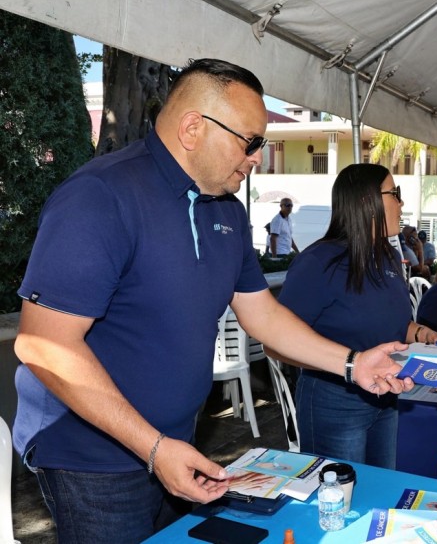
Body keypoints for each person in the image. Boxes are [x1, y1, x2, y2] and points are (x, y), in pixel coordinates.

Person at [12, 59, 410, 543]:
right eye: (251, 141)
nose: (257, 157)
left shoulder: (227, 210)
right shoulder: (99, 197)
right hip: (93, 459)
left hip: (176, 446)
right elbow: (43, 344)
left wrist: (353, 364)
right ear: (193, 128)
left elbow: (262, 313)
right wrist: (155, 449)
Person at [272, 164, 437, 469]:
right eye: (395, 194)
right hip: (336, 403)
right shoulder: (318, 263)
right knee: (339, 500)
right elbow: (276, 343)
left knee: (379, 491)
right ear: (367, 202)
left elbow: (390, 322)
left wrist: (423, 334)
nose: (401, 203)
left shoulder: (390, 256)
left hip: (387, 396)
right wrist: (350, 363)